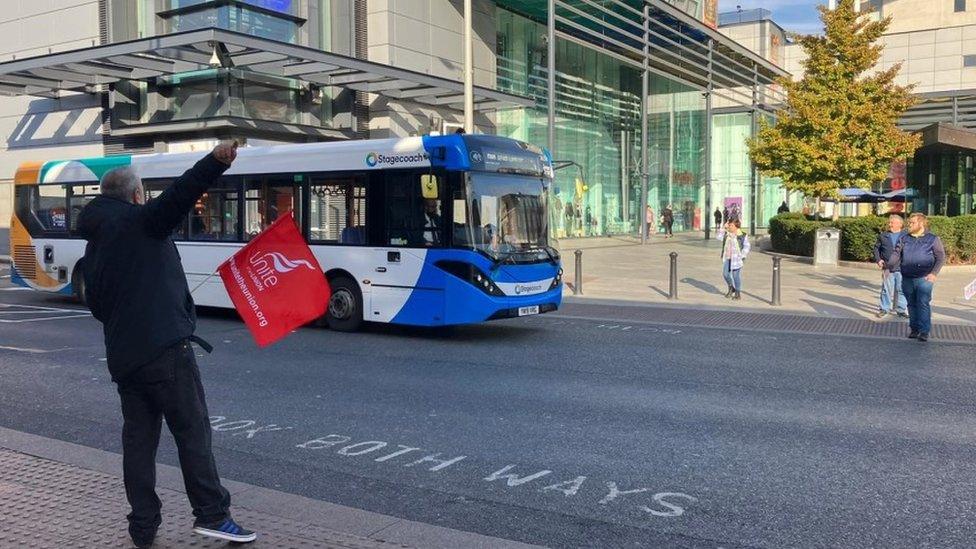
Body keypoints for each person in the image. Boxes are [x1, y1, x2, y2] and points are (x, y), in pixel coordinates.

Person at [77, 143, 257, 547]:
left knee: (138, 444)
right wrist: (216, 161)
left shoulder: (95, 245)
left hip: (125, 360)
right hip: (166, 353)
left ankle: (143, 526)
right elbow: (181, 194)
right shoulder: (141, 223)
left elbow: (97, 306)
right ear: (137, 196)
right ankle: (212, 515)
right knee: (193, 432)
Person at [888, 212, 946, 342]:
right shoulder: (904, 238)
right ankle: (914, 329)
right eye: (909, 222)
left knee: (923, 303)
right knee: (911, 304)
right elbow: (896, 254)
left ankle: (924, 331)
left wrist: (934, 273)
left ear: (921, 223)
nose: (909, 225)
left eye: (912, 223)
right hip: (907, 277)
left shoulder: (932, 239)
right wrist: (889, 265)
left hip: (924, 278)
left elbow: (941, 257)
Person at [872, 214, 908, 319]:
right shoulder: (883, 236)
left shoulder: (906, 235)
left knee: (902, 289)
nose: (890, 224)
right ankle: (884, 309)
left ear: (900, 224)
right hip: (887, 268)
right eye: (890, 222)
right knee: (886, 289)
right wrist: (878, 260)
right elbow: (876, 249)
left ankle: (901, 310)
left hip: (902, 268)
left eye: (892, 222)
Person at [716, 217, 750, 300]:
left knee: (735, 276)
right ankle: (731, 288)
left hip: (737, 259)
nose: (729, 227)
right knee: (725, 274)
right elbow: (718, 237)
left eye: (731, 225)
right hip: (727, 257)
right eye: (729, 225)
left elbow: (747, 246)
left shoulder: (742, 235)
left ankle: (737, 293)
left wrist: (742, 255)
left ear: (736, 226)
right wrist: (724, 228)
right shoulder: (726, 234)